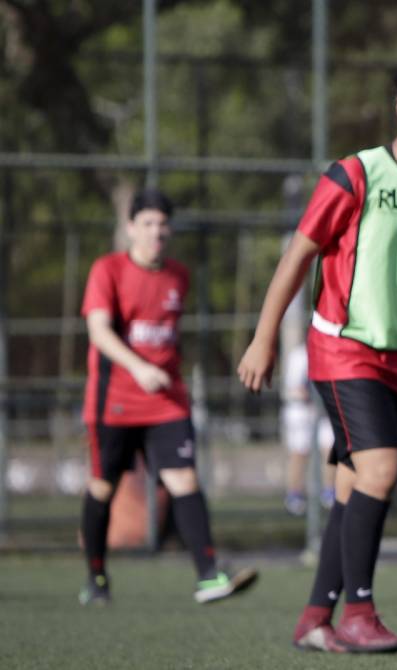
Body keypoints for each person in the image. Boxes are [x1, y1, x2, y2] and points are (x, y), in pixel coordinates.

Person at [237, 58, 397, 654]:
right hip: (341, 348)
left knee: (352, 485)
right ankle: (360, 612)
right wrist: (264, 336)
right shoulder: (353, 175)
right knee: (383, 470)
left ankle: (316, 618)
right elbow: (296, 259)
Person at [79, 187, 257, 606]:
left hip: (166, 401)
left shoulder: (178, 275)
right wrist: (138, 367)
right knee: (103, 486)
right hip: (115, 402)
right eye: (147, 224)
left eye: (162, 224)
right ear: (130, 228)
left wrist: (161, 373)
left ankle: (209, 576)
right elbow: (99, 332)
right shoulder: (108, 270)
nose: (156, 232)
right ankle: (97, 577)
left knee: (185, 480)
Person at [281, 343, 336, 516]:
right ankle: (294, 494)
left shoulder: (331, 351)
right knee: (299, 453)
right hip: (302, 412)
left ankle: (329, 492)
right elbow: (295, 388)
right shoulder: (299, 355)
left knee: (331, 450)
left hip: (325, 411)